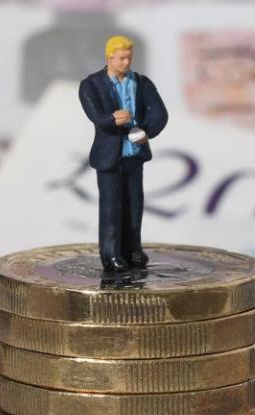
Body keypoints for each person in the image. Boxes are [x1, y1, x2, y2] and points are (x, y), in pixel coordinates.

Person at [78, 35, 169, 274]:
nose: (126, 62)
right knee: (111, 208)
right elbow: (96, 116)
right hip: (109, 158)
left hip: (135, 155)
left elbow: (160, 113)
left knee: (134, 205)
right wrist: (112, 119)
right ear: (109, 58)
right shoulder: (91, 85)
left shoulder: (142, 83)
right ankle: (111, 254)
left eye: (129, 57)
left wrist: (145, 132)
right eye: (121, 58)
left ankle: (133, 250)